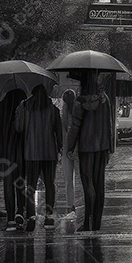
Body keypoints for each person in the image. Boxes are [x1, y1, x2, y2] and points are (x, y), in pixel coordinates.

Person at [65, 70, 113, 232]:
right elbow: (109, 124)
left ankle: (87, 221)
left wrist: (69, 146)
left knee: (88, 184)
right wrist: (110, 147)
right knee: (99, 184)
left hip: (86, 147)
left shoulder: (79, 102)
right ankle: (96, 221)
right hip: (102, 147)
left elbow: (75, 127)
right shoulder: (104, 100)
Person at [15, 85, 63, 229]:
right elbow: (59, 133)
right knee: (50, 184)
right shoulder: (53, 110)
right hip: (49, 152)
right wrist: (60, 149)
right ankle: (49, 216)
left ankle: (31, 215)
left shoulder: (26, 108)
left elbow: (19, 128)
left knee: (31, 185)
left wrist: (19, 111)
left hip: (31, 152)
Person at [0, 89, 27, 232]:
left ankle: (10, 217)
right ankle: (20, 212)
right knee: (20, 183)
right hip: (19, 152)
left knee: (8, 184)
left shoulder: (0, 106)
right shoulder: (23, 108)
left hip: (4, 152)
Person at [60, 89, 78, 217]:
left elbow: (61, 133)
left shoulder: (63, 116)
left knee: (68, 181)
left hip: (66, 148)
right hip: (77, 149)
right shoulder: (78, 113)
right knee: (79, 179)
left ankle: (70, 205)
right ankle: (76, 205)